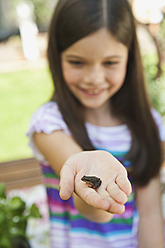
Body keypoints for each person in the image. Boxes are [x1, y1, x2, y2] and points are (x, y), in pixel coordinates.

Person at [27, 0, 165, 247]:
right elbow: (92, 206)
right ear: (56, 57)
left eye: (110, 62)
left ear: (129, 58)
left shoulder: (149, 124)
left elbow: (151, 213)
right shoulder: (49, 125)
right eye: (77, 62)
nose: (94, 78)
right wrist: (87, 172)